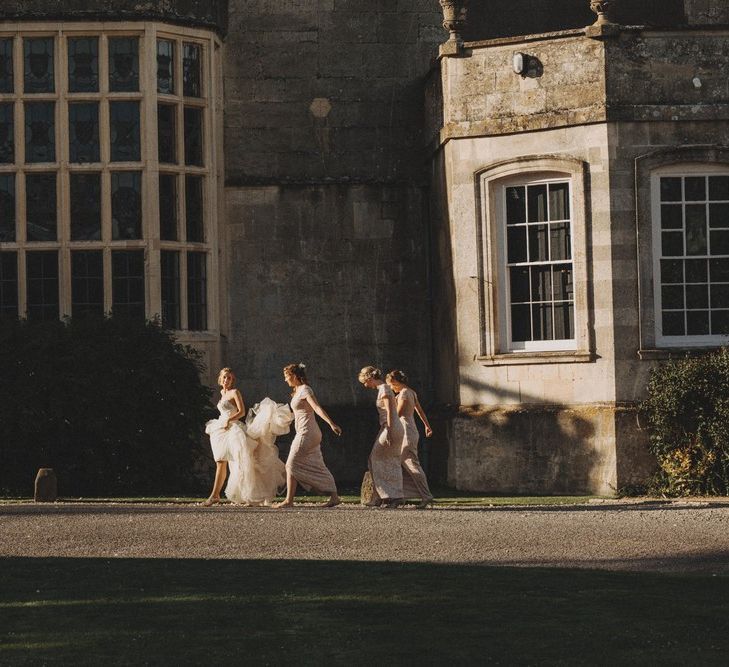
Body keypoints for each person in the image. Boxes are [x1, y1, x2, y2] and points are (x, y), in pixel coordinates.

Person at [203, 367, 291, 506]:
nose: (227, 380)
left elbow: (242, 412)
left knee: (242, 462)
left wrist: (229, 420)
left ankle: (227, 495)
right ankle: (215, 495)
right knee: (221, 461)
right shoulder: (222, 393)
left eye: (230, 378)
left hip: (234, 430)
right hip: (221, 429)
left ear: (233, 380)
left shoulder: (234, 392)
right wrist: (224, 422)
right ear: (220, 379)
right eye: (225, 377)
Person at [274, 363, 343, 508]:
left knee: (290, 464)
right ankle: (334, 497)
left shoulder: (305, 389)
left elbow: (316, 408)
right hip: (305, 432)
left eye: (286, 377)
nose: (285, 380)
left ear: (294, 376)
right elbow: (300, 412)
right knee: (318, 464)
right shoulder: (298, 390)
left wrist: (331, 423)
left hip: (308, 433)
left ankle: (288, 500)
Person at [386, 370, 435, 509]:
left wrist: (388, 406)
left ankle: (425, 495)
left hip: (406, 431)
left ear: (395, 382)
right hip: (409, 430)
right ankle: (402, 496)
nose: (391, 387)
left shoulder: (405, 393)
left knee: (411, 464)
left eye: (391, 384)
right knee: (403, 463)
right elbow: (419, 411)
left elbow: (398, 413)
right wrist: (427, 426)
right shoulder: (411, 392)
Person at [358, 366, 404, 508]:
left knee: (376, 458)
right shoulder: (383, 389)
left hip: (391, 426)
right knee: (388, 459)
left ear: (370, 378)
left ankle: (391, 495)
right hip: (388, 427)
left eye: (364, 382)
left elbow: (391, 412)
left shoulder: (384, 389)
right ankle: (389, 495)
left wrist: (389, 431)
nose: (365, 385)